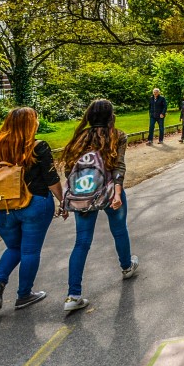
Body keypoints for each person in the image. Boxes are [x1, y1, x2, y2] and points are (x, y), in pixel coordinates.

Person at [0, 107, 64, 311]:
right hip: (34, 204)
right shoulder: (37, 147)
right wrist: (62, 200)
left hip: (3, 207)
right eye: (35, 119)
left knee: (13, 248)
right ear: (30, 123)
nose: (37, 122)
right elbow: (51, 180)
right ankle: (24, 294)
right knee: (30, 250)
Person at [61, 99, 138, 313]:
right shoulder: (118, 135)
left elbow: (70, 169)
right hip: (110, 190)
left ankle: (73, 294)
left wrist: (71, 197)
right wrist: (118, 192)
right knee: (119, 230)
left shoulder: (80, 137)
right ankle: (126, 266)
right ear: (110, 115)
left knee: (82, 242)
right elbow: (118, 166)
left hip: (84, 194)